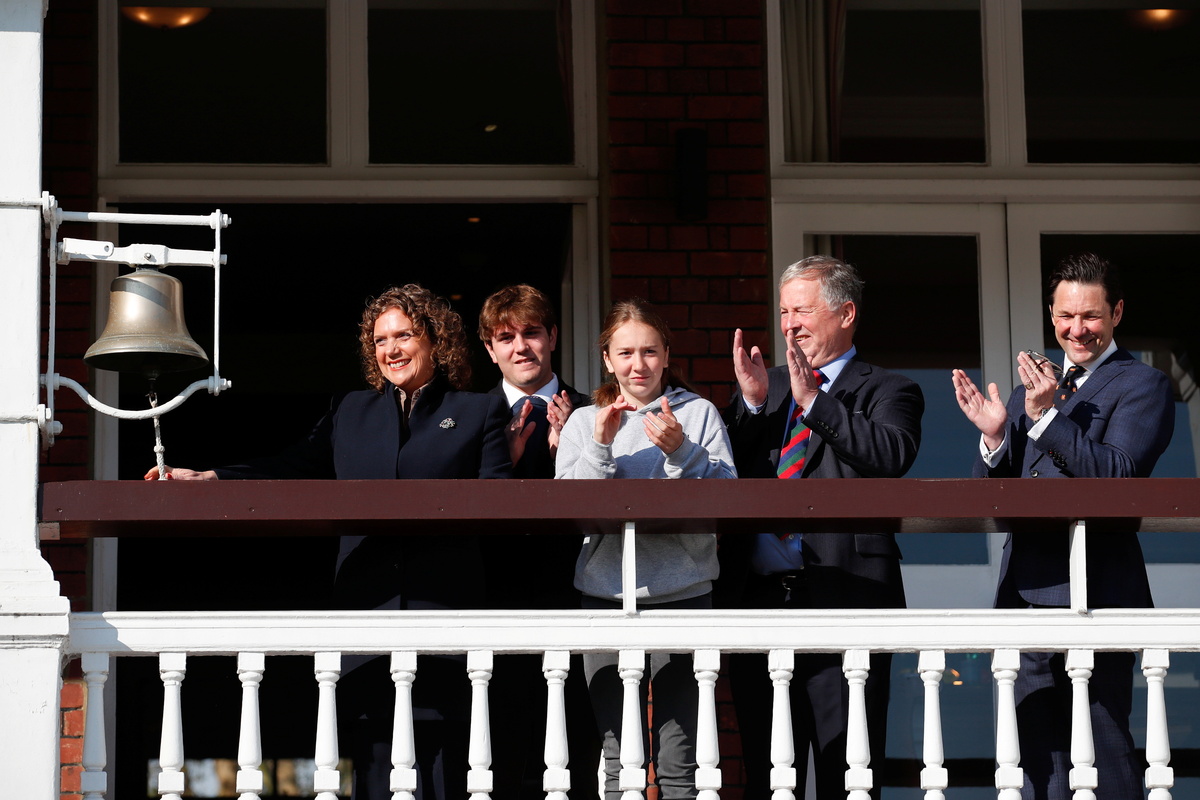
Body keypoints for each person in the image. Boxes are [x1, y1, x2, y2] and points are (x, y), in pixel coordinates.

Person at [147, 284, 513, 800]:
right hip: (365, 608)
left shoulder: (477, 411)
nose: (391, 349)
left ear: (436, 340)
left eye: (405, 335)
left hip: (443, 608)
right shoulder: (350, 410)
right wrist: (214, 477)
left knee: (441, 762)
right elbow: (292, 467)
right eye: (380, 340)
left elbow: (497, 503)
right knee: (370, 756)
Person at [952, 253, 1174, 800]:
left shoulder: (1143, 384)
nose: (1077, 329)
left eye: (1091, 316)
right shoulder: (1037, 389)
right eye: (1065, 316)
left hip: (1096, 593)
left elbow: (1117, 475)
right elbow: (993, 497)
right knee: (1036, 758)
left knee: (1104, 749)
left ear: (1116, 313)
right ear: (1051, 315)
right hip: (1024, 593)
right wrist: (995, 437)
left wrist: (1048, 417)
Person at [720, 255, 923, 800]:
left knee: (848, 776)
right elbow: (723, 472)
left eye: (803, 311)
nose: (790, 325)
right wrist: (753, 406)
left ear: (846, 313)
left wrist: (814, 401)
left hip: (847, 598)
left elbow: (890, 454)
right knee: (769, 776)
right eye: (784, 312)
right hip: (759, 605)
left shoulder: (891, 388)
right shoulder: (763, 387)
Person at [555, 298, 736, 800]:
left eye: (650, 351)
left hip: (685, 595)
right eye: (626, 353)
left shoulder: (697, 414)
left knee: (680, 760)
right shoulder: (583, 421)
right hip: (605, 596)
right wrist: (599, 445)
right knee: (617, 759)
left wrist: (682, 450)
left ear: (667, 354)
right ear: (607, 359)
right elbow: (569, 510)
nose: (639, 365)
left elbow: (728, 496)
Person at [476, 284, 599, 799]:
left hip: (579, 602)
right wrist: (498, 460)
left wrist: (576, 451)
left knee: (581, 758)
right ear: (490, 349)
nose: (520, 347)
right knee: (494, 761)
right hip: (491, 606)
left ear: (553, 336)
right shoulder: (466, 417)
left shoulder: (595, 411)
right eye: (505, 338)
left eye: (531, 333)